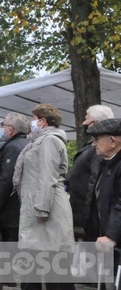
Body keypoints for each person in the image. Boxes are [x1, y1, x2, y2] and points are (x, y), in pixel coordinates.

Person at [13, 103, 74, 290]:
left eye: (34, 119)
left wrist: (41, 209)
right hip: (40, 208)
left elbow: (48, 176)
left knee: (54, 268)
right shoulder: (40, 140)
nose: (32, 123)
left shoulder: (49, 140)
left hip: (47, 211)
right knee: (36, 265)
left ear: (43, 121)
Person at [67, 104, 113, 242]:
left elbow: (94, 181)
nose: (83, 123)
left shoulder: (100, 147)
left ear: (94, 123)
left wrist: (86, 217)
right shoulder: (93, 144)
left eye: (86, 119)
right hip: (85, 214)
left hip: (90, 218)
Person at [0, 112, 29, 242]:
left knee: (9, 242)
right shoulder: (25, 144)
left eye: (4, 125)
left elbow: (6, 178)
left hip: (10, 206)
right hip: (16, 203)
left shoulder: (13, 148)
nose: (2, 129)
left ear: (10, 129)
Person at [87, 118, 121, 280]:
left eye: (97, 139)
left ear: (113, 141)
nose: (94, 144)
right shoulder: (106, 164)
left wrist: (112, 235)